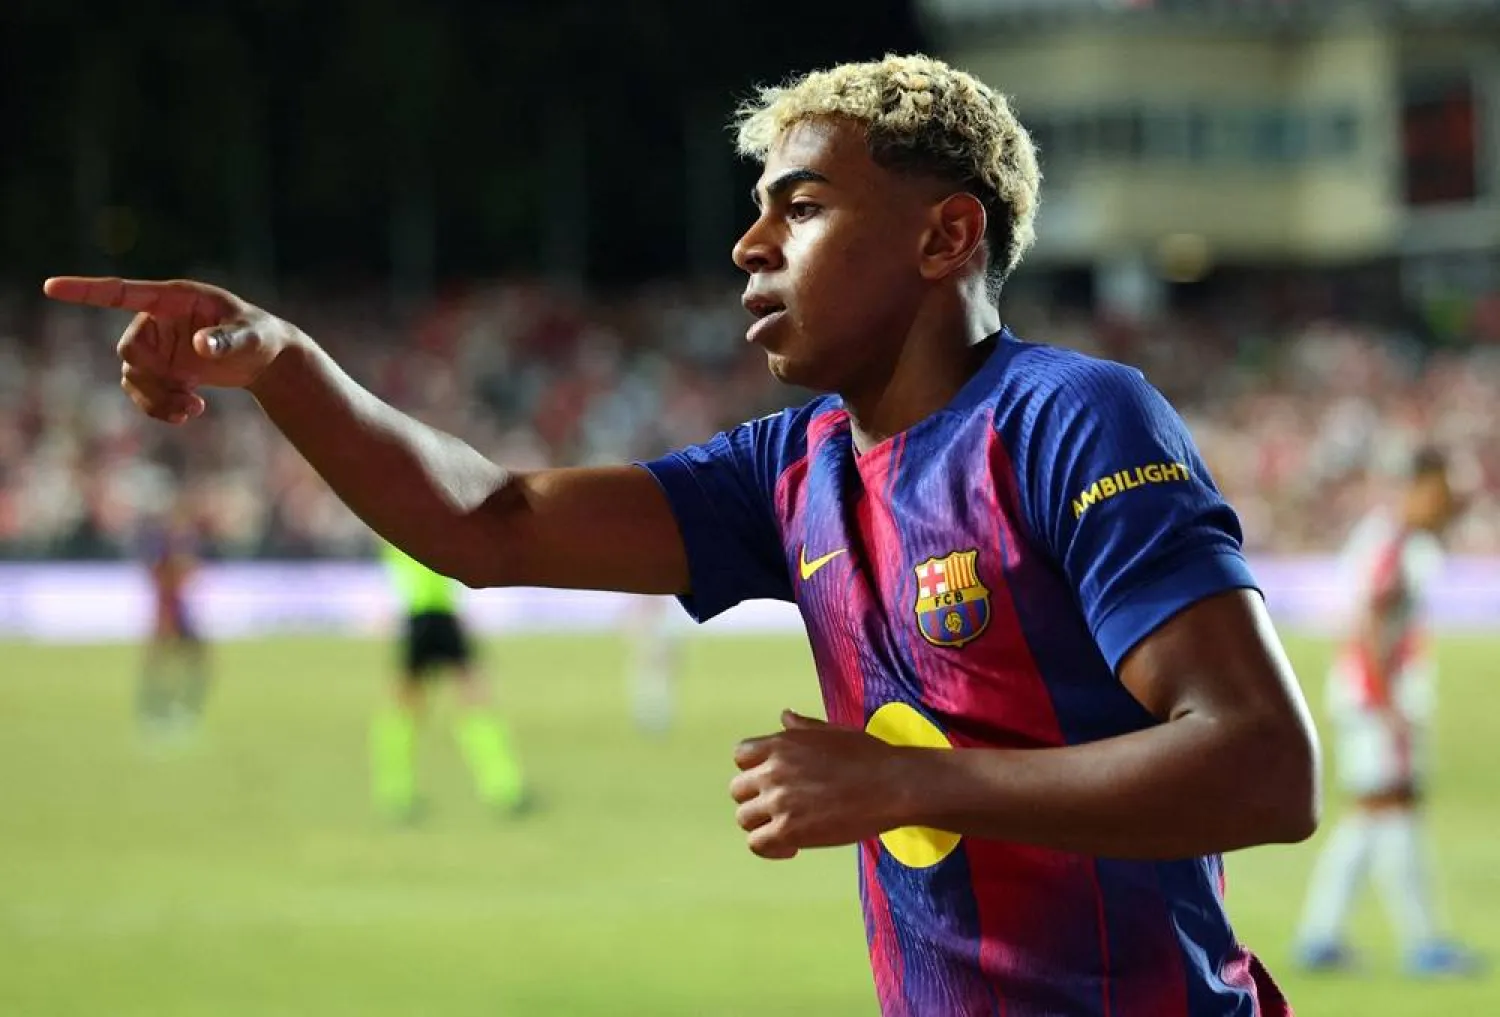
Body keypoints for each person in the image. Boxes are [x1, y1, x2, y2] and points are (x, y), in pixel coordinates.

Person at [46, 53, 1318, 1017]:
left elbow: (1264, 766)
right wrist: (285, 366)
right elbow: (489, 523)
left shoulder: (1065, 419)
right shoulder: (794, 468)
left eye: (802, 208)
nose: (748, 243)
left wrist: (905, 785)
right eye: (758, 211)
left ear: (947, 235)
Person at [1294, 449, 1480, 977]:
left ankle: (1320, 936)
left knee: (1373, 814)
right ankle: (1424, 944)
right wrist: (1389, 702)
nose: (1451, 505)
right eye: (1444, 493)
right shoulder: (1392, 543)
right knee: (1394, 809)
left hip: (1369, 696)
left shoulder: (1396, 538)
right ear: (1420, 487)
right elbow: (1369, 625)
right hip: (1376, 699)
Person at [374, 538, 529, 821]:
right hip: (432, 617)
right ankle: (502, 786)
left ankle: (397, 791)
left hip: (427, 618)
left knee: (413, 707)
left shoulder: (400, 526)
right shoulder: (415, 526)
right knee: (470, 700)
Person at [136, 495, 210, 737]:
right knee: (163, 663)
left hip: (178, 611)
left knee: (187, 663)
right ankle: (161, 709)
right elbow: (162, 574)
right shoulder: (166, 548)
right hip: (170, 611)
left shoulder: (180, 544)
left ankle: (168, 709)